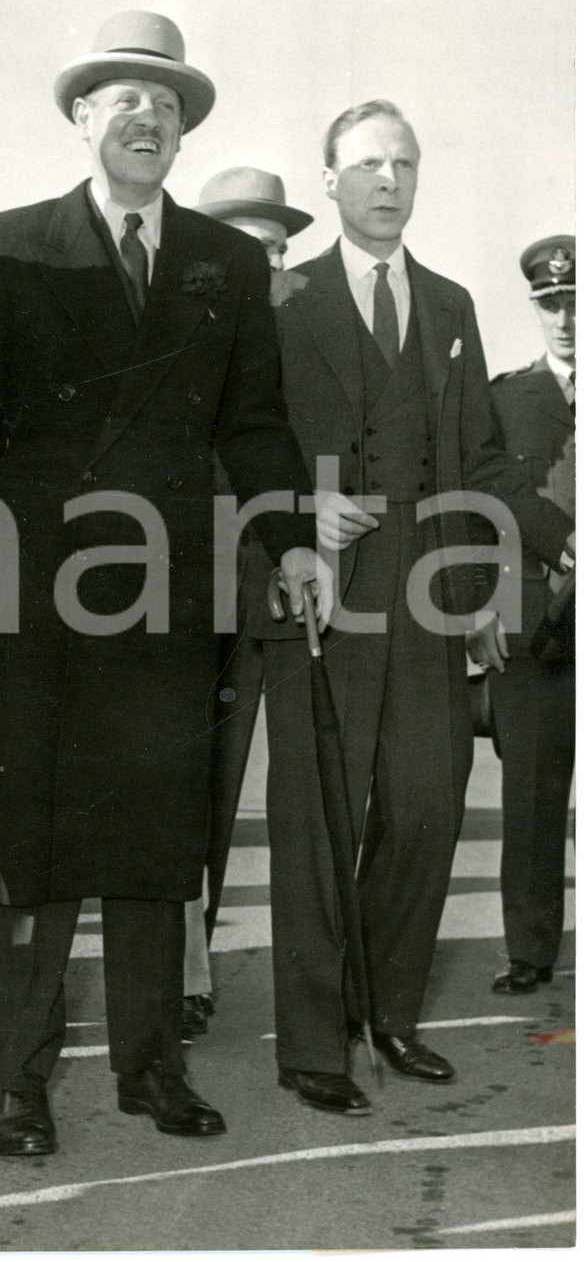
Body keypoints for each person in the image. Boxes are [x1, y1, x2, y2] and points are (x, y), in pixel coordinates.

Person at [0, 10, 331, 1158]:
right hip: (36, 585)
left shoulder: (224, 258)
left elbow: (252, 423)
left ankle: (151, 1066)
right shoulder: (5, 243)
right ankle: (19, 1080)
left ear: (183, 129)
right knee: (35, 839)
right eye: (121, 101)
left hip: (167, 589)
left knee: (159, 838)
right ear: (80, 118)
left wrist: (293, 535)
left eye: (166, 105)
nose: (145, 118)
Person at [241, 100, 575, 1117]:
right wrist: (300, 510)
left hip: (430, 602)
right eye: (367, 164)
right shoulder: (281, 301)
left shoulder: (449, 304)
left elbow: (479, 458)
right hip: (324, 597)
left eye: (404, 163)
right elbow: (241, 438)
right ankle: (311, 1044)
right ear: (330, 179)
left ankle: (388, 1013)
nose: (388, 180)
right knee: (317, 823)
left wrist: (552, 539)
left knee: (426, 814)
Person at [181, 167, 315, 1041]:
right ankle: (184, 971)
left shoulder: (308, 330)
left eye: (275, 248)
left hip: (291, 596)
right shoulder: (185, 326)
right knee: (196, 798)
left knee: (296, 800)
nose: (265, 263)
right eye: (248, 245)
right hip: (200, 598)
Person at [467, 236, 575, 995]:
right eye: (550, 303)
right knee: (533, 796)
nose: (564, 317)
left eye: (576, 300)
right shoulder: (507, 399)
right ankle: (530, 951)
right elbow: (483, 501)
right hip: (537, 624)